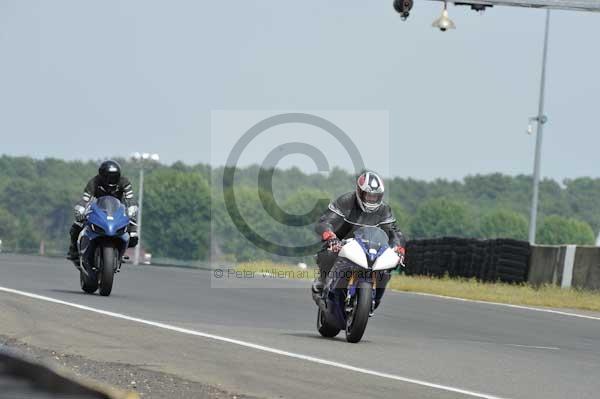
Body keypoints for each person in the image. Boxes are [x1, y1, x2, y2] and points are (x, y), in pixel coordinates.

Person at [312, 171, 406, 309]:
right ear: (359, 192)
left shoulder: (384, 209)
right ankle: (322, 282)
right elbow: (325, 221)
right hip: (341, 242)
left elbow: (395, 232)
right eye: (368, 195)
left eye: (375, 196)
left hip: (369, 246)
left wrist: (398, 248)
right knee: (328, 254)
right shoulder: (346, 201)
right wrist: (331, 237)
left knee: (387, 267)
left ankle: (375, 299)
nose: (371, 199)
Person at [67, 160, 139, 260]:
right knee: (77, 225)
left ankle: (121, 250)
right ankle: (74, 249)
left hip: (118, 211)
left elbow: (130, 198)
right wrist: (81, 208)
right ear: (101, 175)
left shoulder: (124, 182)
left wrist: (132, 208)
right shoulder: (94, 182)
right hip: (98, 210)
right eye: (108, 176)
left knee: (134, 234)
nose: (111, 180)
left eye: (114, 176)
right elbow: (85, 199)